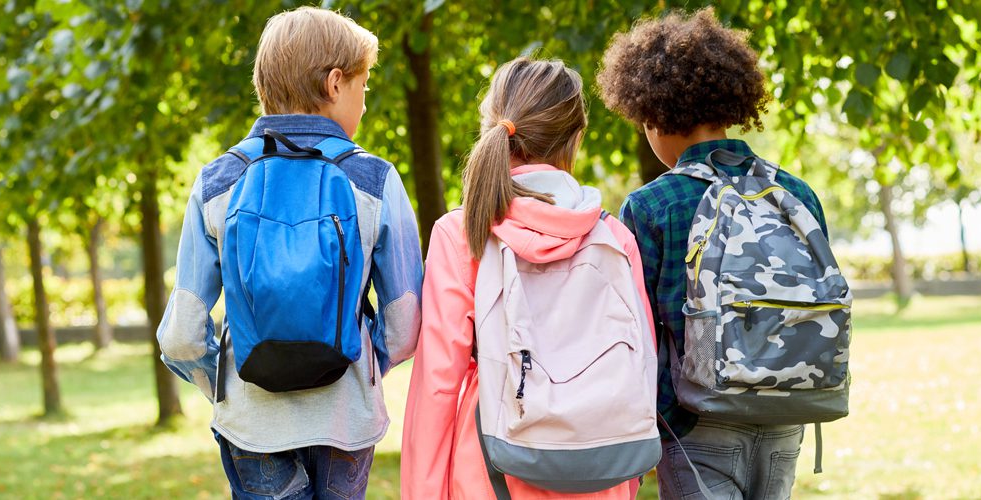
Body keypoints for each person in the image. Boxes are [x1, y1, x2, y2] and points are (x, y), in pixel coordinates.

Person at [156, 7, 422, 499]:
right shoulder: (375, 182)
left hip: (254, 427)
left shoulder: (218, 182)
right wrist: (358, 365)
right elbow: (405, 325)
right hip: (346, 420)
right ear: (336, 83)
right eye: (365, 86)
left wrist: (224, 385)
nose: (365, 104)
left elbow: (181, 337)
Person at [597, 8, 832, 500]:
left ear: (654, 114)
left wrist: (658, 423)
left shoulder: (650, 206)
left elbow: (633, 333)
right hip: (788, 412)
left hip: (698, 426)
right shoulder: (795, 194)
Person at [400, 57, 658, 500]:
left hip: (489, 468)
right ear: (575, 139)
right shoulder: (614, 237)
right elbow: (642, 366)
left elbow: (439, 385)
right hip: (598, 469)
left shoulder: (463, 233)